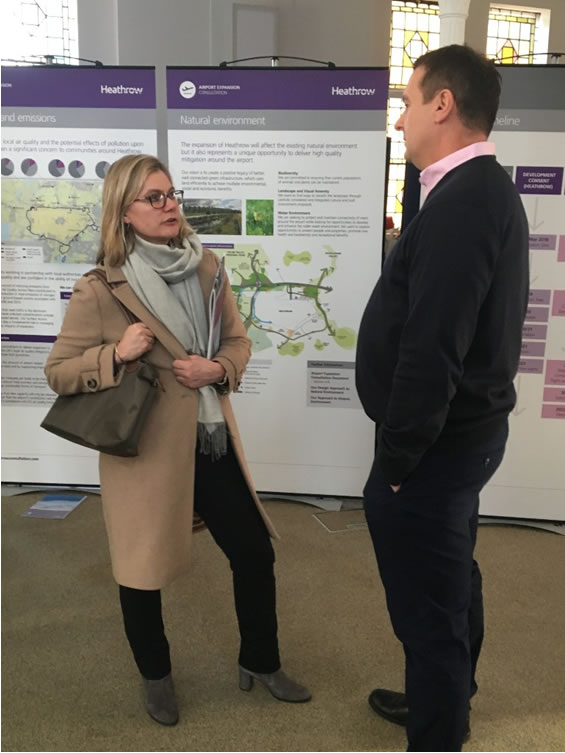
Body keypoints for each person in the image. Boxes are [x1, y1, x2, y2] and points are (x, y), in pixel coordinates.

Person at [45, 154, 311, 726]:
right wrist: (116, 354)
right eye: (154, 197)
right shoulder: (101, 287)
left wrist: (217, 369)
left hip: (210, 438)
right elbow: (59, 371)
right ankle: (156, 676)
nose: (169, 206)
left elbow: (238, 341)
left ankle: (261, 661)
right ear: (124, 212)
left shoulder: (207, 268)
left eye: (171, 194)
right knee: (141, 569)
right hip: (143, 451)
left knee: (253, 552)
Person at [355, 45, 529, 752]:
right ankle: (444, 699)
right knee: (449, 576)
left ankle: (438, 730)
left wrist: (398, 461)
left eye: (406, 103)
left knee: (428, 606)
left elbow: (433, 350)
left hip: (432, 449)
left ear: (442, 104)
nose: (399, 121)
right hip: (455, 440)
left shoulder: (465, 203)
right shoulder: (467, 190)